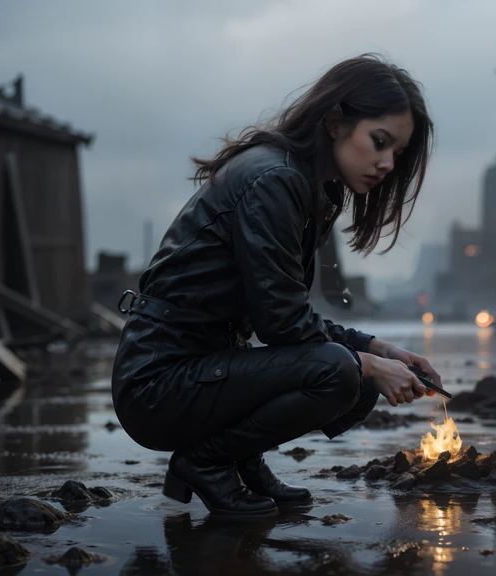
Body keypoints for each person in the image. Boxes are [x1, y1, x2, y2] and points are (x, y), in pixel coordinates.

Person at [111, 55, 440, 519]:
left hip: (197, 368)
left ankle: (241, 460)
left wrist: (377, 348)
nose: (387, 163)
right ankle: (207, 462)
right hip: (157, 383)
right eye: (379, 142)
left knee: (355, 369)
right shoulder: (276, 179)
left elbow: (286, 311)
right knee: (342, 372)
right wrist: (366, 363)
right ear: (334, 122)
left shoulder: (301, 184)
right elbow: (283, 324)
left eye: (397, 153)